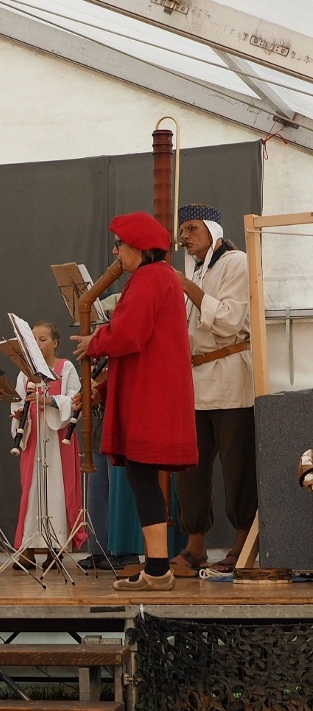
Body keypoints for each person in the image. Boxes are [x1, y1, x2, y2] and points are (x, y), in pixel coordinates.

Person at [72, 211, 198, 592]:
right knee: (141, 477)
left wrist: (94, 342)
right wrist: (105, 385)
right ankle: (157, 568)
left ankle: (158, 570)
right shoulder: (155, 277)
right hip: (150, 388)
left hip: (151, 394)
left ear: (139, 249)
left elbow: (129, 335)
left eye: (120, 245)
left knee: (142, 476)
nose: (116, 251)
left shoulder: (149, 279)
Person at [170, 203, 256, 577]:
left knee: (237, 465)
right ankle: (195, 546)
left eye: (191, 228)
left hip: (232, 377)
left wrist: (186, 286)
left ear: (212, 230)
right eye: (182, 230)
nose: (184, 236)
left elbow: (229, 320)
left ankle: (242, 543)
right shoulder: (199, 269)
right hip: (194, 382)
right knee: (190, 465)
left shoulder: (235, 262)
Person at [9, 321, 84, 569]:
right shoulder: (25, 372)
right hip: (34, 438)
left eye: (43, 339)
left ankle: (56, 547)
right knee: (33, 491)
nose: (38, 344)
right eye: (34, 339)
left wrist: (49, 400)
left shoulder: (66, 367)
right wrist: (19, 415)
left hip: (57, 437)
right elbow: (18, 402)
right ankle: (29, 547)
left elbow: (74, 401)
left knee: (57, 491)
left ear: (55, 343)